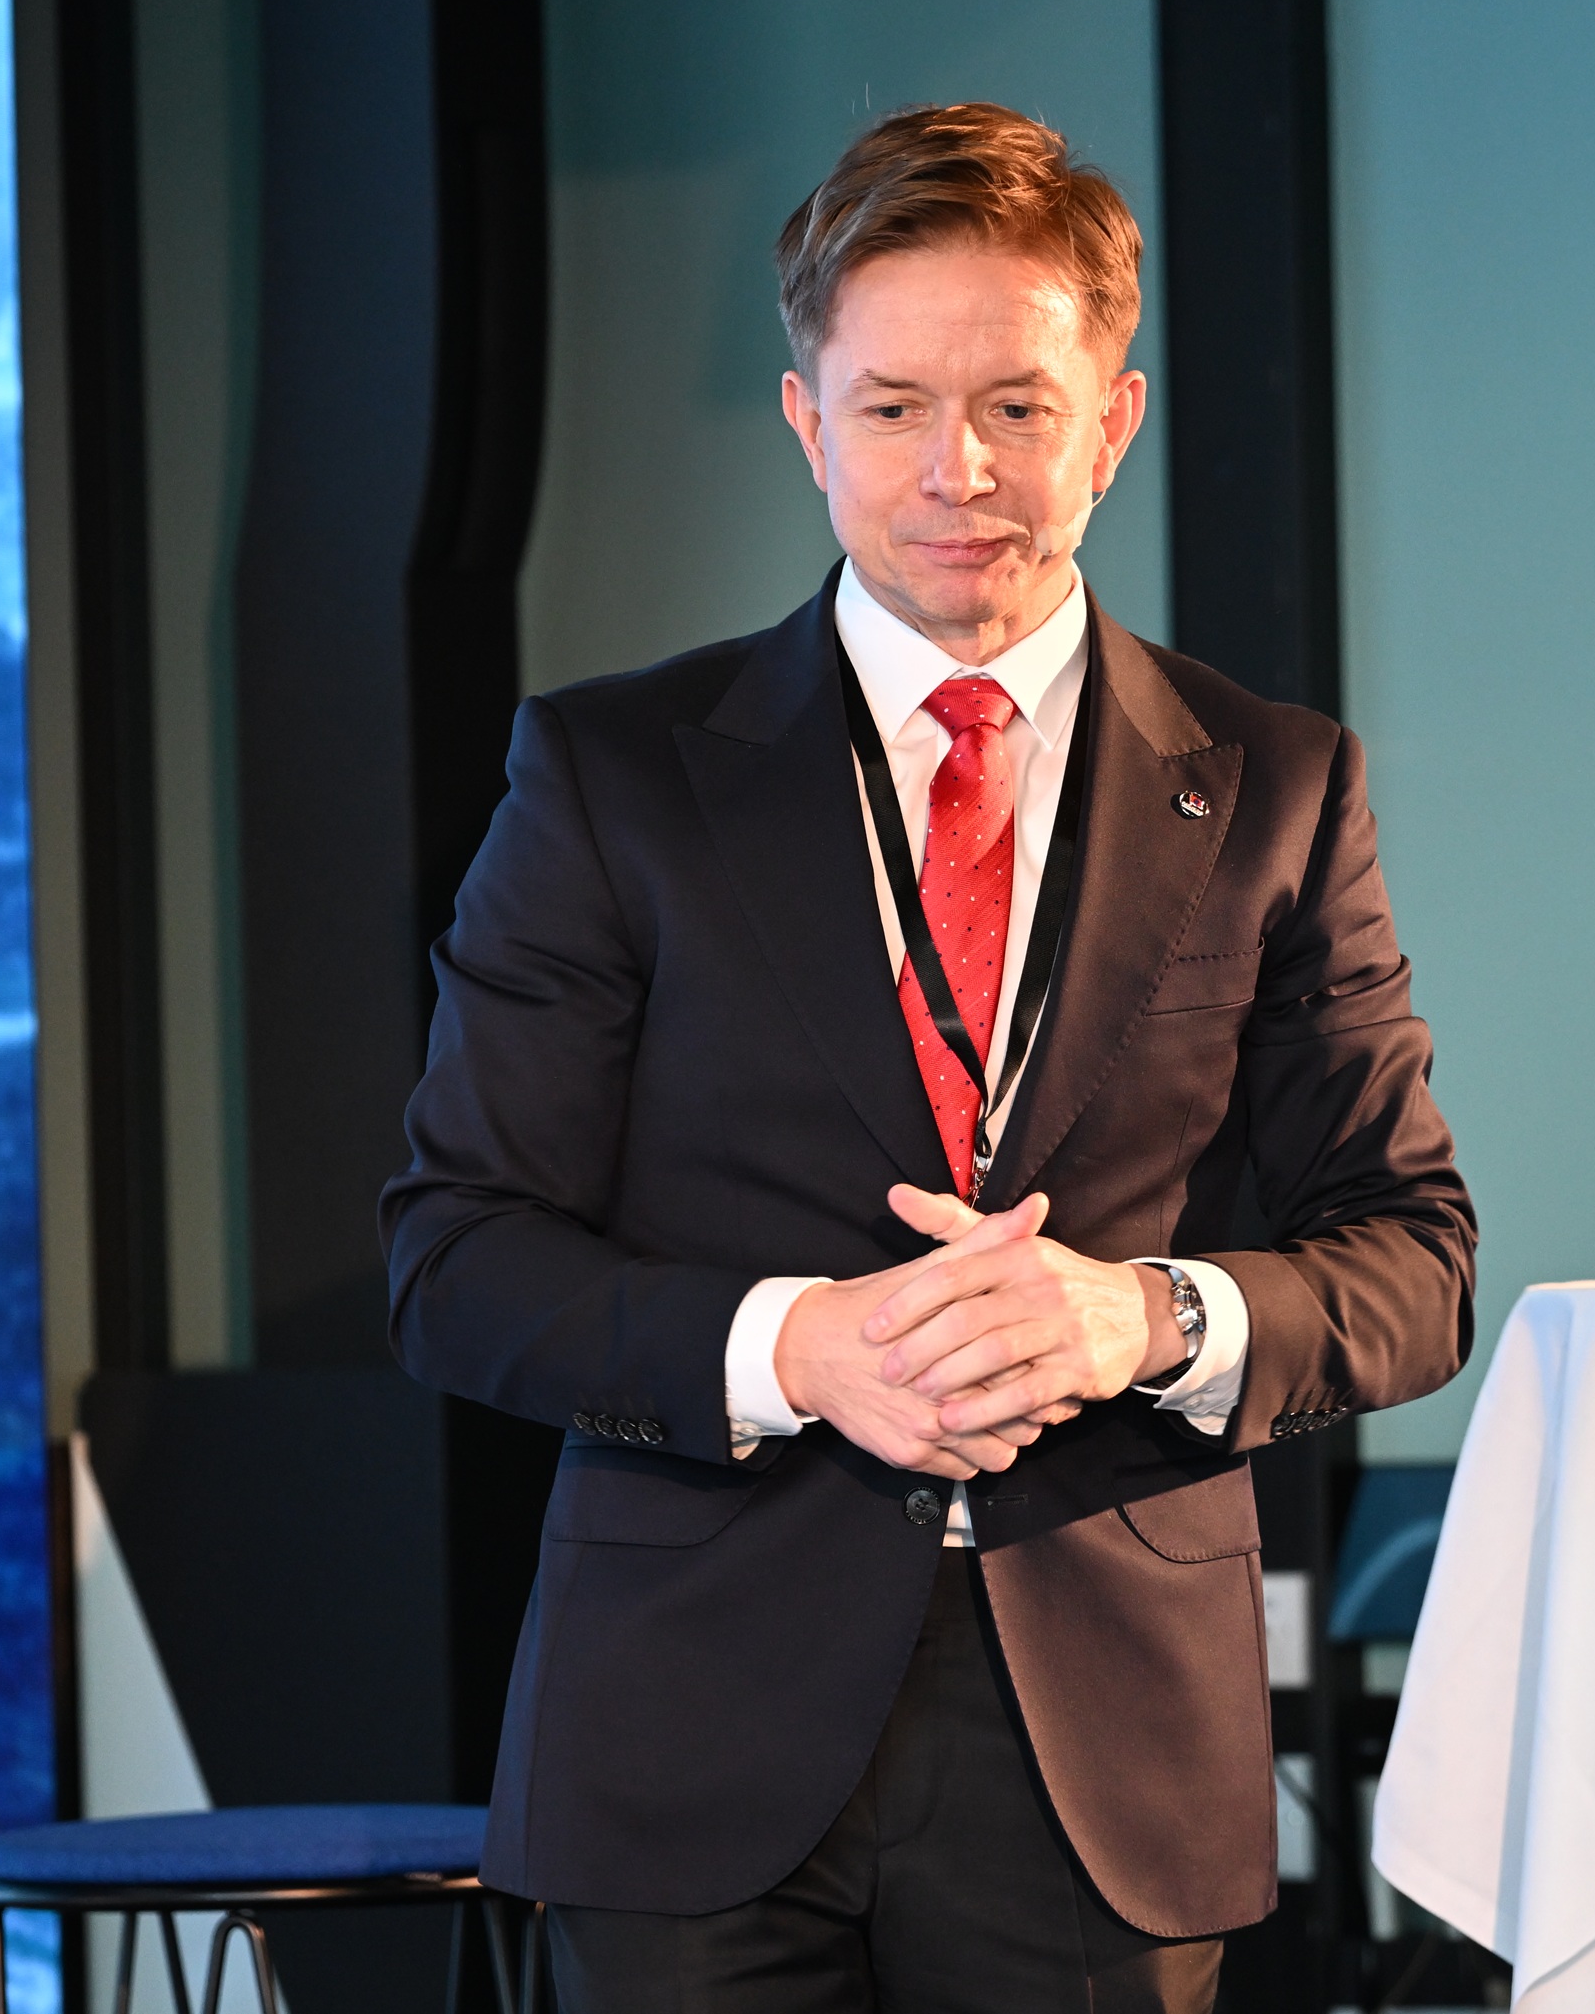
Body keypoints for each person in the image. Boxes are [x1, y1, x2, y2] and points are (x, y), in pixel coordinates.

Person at [382, 102, 1475, 2014]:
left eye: (1014, 407)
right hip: (688, 1728)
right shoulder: (608, 777)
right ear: (806, 423)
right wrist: (795, 1347)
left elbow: (1413, 1257)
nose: (954, 468)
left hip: (1107, 1756)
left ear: (1112, 422)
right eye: (891, 407)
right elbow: (454, 1256)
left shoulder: (1281, 788)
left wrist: (1139, 1317)